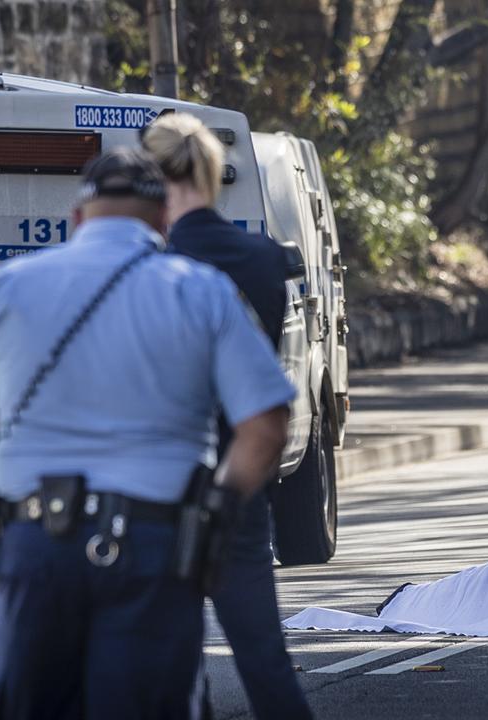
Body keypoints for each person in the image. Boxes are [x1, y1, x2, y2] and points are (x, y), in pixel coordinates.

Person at [0, 148, 296, 719]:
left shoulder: (6, 285)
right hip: (153, 545)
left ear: (79, 219)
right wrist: (219, 508)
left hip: (34, 546)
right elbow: (266, 424)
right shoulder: (202, 289)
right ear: (162, 221)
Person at [142, 113, 312, 720]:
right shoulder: (263, 258)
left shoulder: (153, 269)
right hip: (242, 479)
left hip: (169, 483)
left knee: (174, 664)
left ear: (154, 178)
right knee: (264, 658)